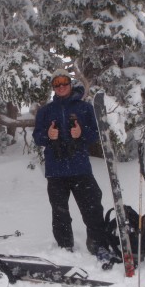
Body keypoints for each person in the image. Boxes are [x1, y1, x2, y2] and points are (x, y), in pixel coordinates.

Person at [33, 69, 115, 262]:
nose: (61, 87)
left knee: (93, 208)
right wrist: (48, 136)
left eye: (64, 83)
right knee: (60, 212)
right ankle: (64, 246)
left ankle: (98, 245)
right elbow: (37, 137)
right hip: (56, 171)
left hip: (80, 169)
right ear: (53, 87)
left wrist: (81, 133)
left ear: (70, 84)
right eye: (57, 84)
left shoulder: (84, 108)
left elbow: (96, 134)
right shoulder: (45, 111)